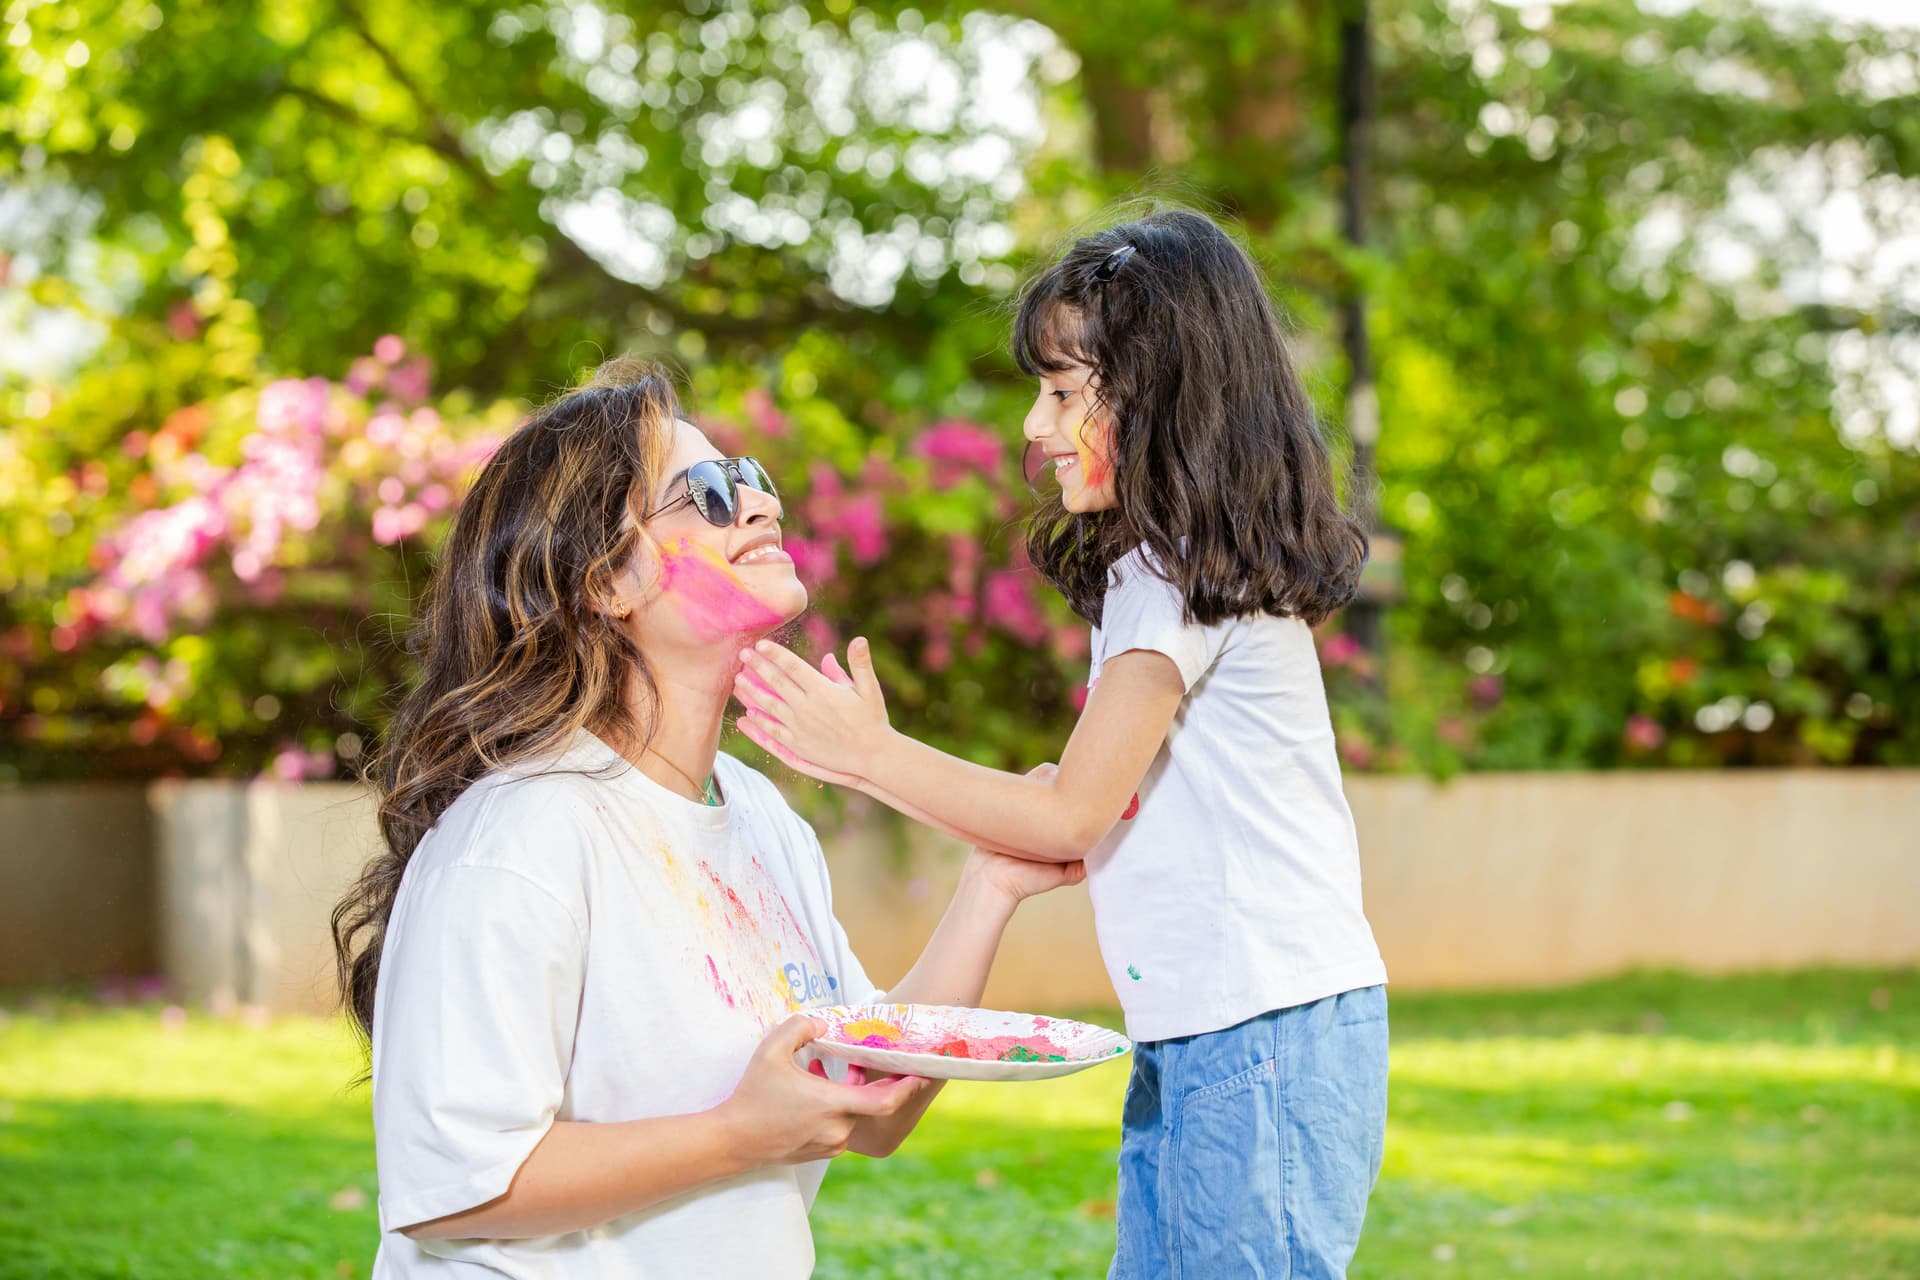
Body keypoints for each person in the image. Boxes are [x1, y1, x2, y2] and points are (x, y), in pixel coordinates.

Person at [733, 207, 1389, 1279]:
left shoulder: (1173, 574)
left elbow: (1070, 816)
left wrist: (869, 754)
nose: (1035, 428)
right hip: (1223, 1027)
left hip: (1258, 1031)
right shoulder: (1167, 575)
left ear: (1166, 395)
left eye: (1063, 393)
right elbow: (1092, 803)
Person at [329, 360, 1083, 1278]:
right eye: (709, 494)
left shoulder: (757, 814)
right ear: (605, 580)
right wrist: (736, 1134)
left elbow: (867, 1099)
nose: (763, 506)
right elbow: (456, 1185)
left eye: (753, 479)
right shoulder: (519, 839)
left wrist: (990, 885)